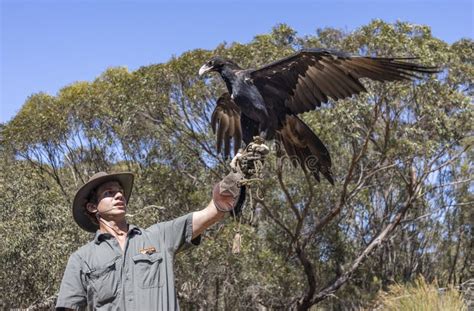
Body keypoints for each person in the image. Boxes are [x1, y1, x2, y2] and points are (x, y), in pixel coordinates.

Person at [55, 167, 248, 310]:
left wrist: (236, 178)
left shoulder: (159, 237)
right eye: (109, 193)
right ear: (92, 207)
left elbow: (209, 214)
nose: (119, 196)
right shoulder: (82, 259)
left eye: (121, 192)